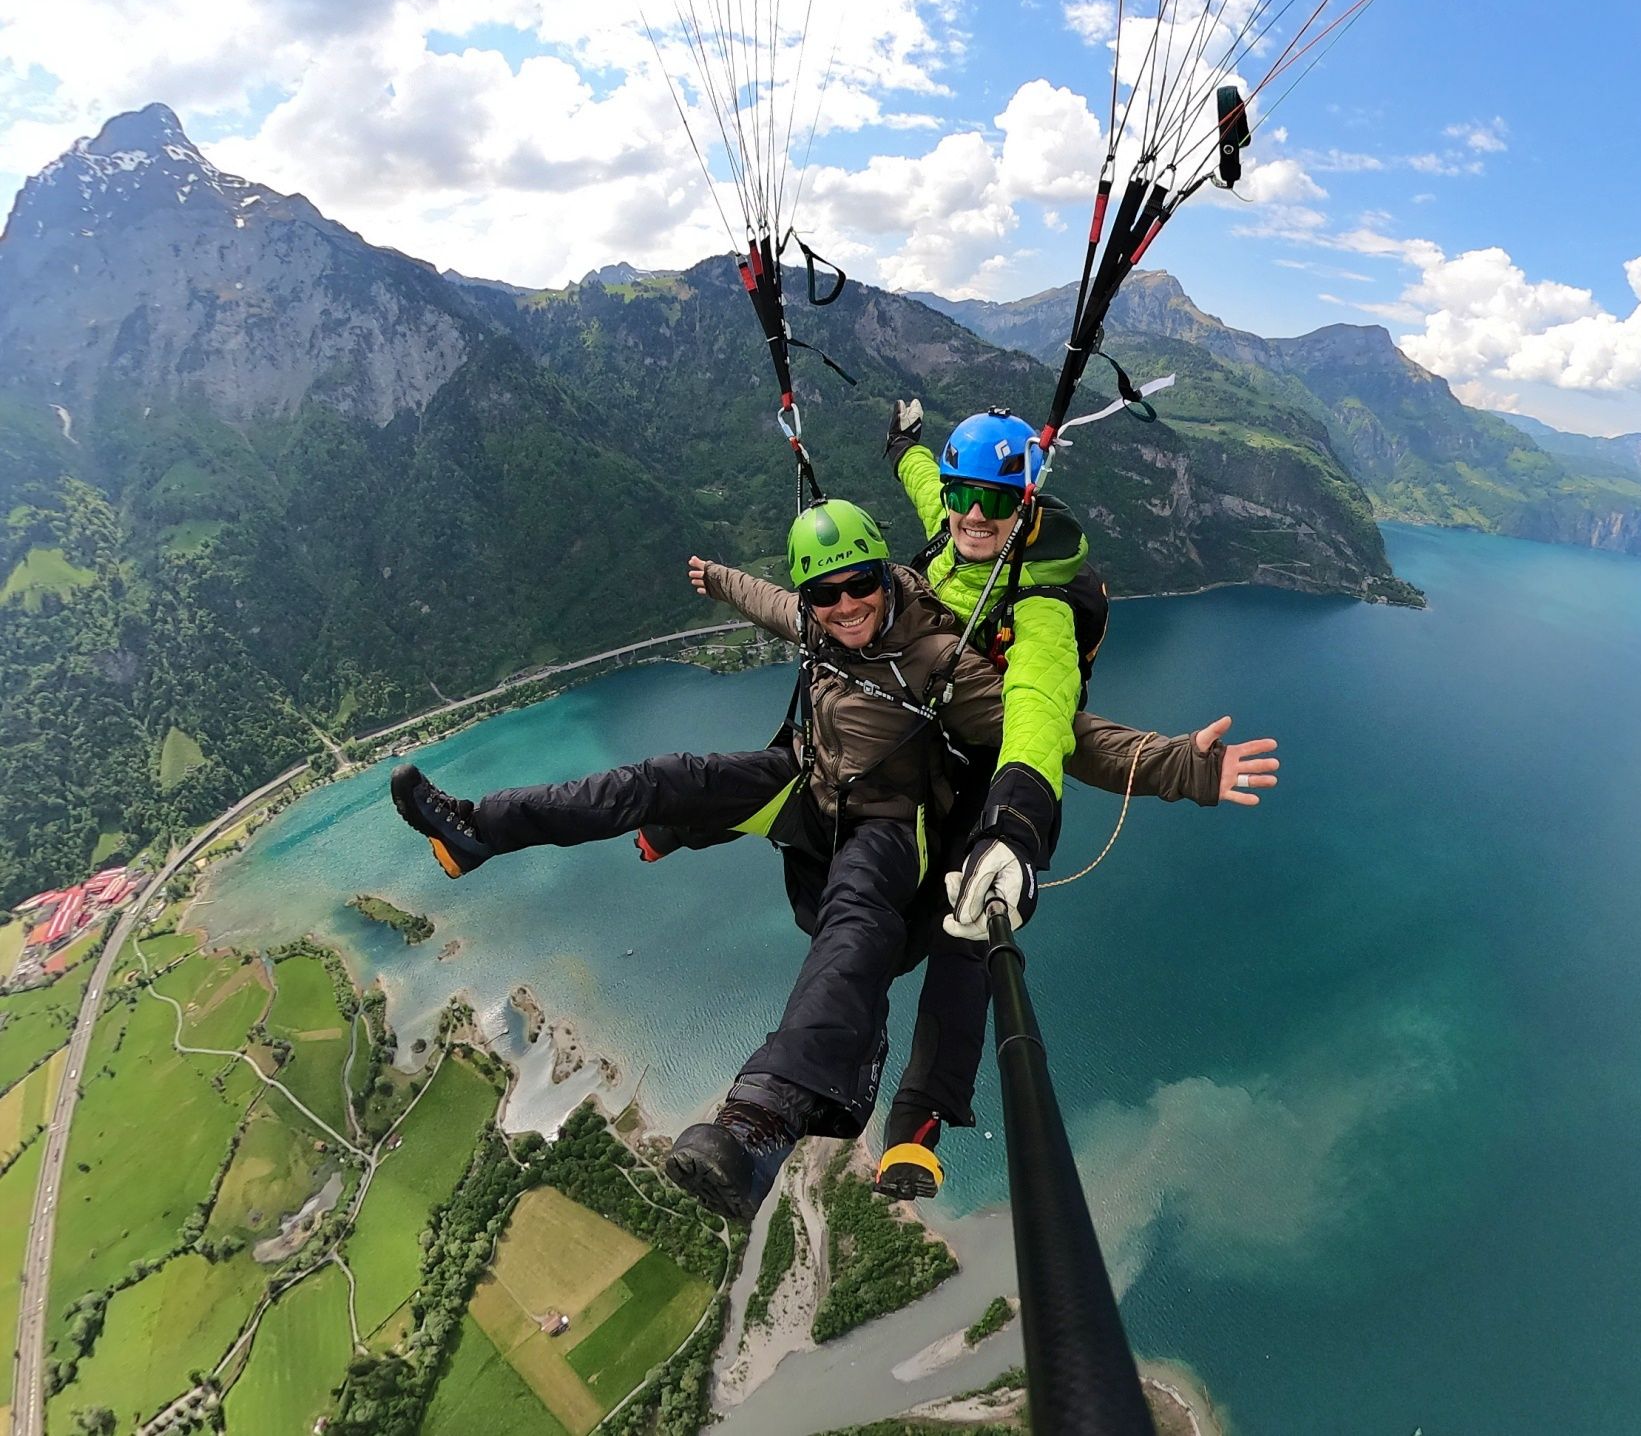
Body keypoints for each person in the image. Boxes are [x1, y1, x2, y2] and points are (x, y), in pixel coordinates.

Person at [392, 498, 1276, 1221]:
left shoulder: (939, 663)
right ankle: (479, 830)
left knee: (854, 927)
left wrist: (1186, 768)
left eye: (859, 588)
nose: (846, 607)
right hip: (809, 786)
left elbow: (1056, 731)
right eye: (827, 595)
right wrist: (718, 580)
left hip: (887, 827)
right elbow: (771, 604)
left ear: (883, 579)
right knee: (660, 780)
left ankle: (759, 1124)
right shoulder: (819, 623)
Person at [871, 399, 1106, 1197]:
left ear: (1025, 507)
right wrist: (902, 443)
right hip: (936, 752)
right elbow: (923, 484)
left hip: (1001, 776)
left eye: (996, 501)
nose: (974, 514)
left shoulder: (1041, 601)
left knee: (967, 931)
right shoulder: (953, 526)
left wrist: (1014, 824)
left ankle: (919, 1123)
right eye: (963, 495)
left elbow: (1038, 701)